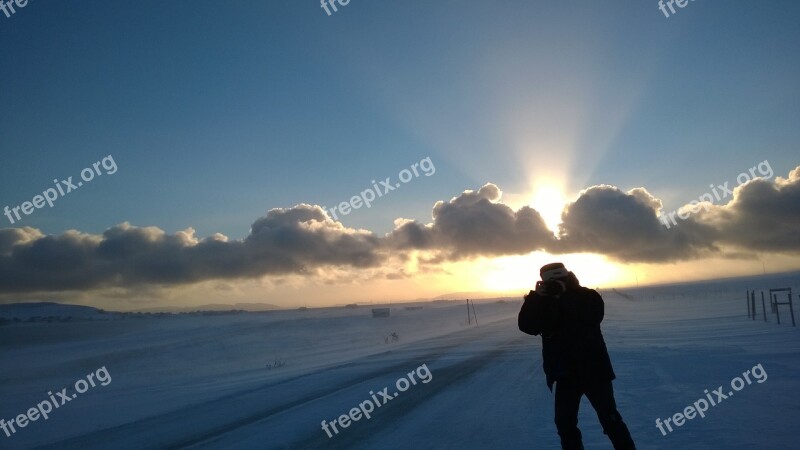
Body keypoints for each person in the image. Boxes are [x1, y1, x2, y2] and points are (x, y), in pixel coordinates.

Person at [518, 262, 636, 450]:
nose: (556, 284)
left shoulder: (587, 296)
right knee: (565, 425)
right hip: (564, 375)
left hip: (595, 371)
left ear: (567, 277)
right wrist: (535, 299)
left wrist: (564, 296)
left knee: (611, 420)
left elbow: (594, 315)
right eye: (551, 282)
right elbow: (526, 326)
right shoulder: (542, 302)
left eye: (559, 280)